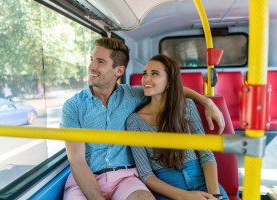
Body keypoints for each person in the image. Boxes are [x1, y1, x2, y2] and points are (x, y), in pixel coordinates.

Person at [60, 37, 225, 200]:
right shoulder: (73, 106)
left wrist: (206, 102)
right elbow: (77, 160)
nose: (92, 66)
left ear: (119, 71)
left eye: (100, 61)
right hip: (85, 179)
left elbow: (171, 90)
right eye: (91, 59)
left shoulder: (132, 95)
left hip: (124, 178)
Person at [126, 54, 228, 200]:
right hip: (169, 190)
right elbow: (146, 174)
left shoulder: (187, 107)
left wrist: (215, 195)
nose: (146, 79)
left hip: (203, 183)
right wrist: (185, 196)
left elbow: (206, 154)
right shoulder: (134, 122)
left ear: (168, 82)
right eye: (144, 74)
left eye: (154, 74)